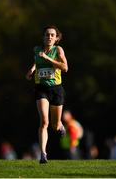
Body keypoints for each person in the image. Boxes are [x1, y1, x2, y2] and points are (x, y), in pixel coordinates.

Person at [26, 25, 68, 164]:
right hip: (41, 88)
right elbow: (37, 62)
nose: (49, 37)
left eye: (52, 35)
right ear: (43, 37)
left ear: (56, 38)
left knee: (55, 125)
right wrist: (32, 70)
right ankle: (43, 154)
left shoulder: (58, 50)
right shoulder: (37, 50)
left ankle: (60, 125)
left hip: (56, 89)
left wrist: (48, 58)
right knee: (44, 122)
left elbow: (65, 68)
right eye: (47, 34)